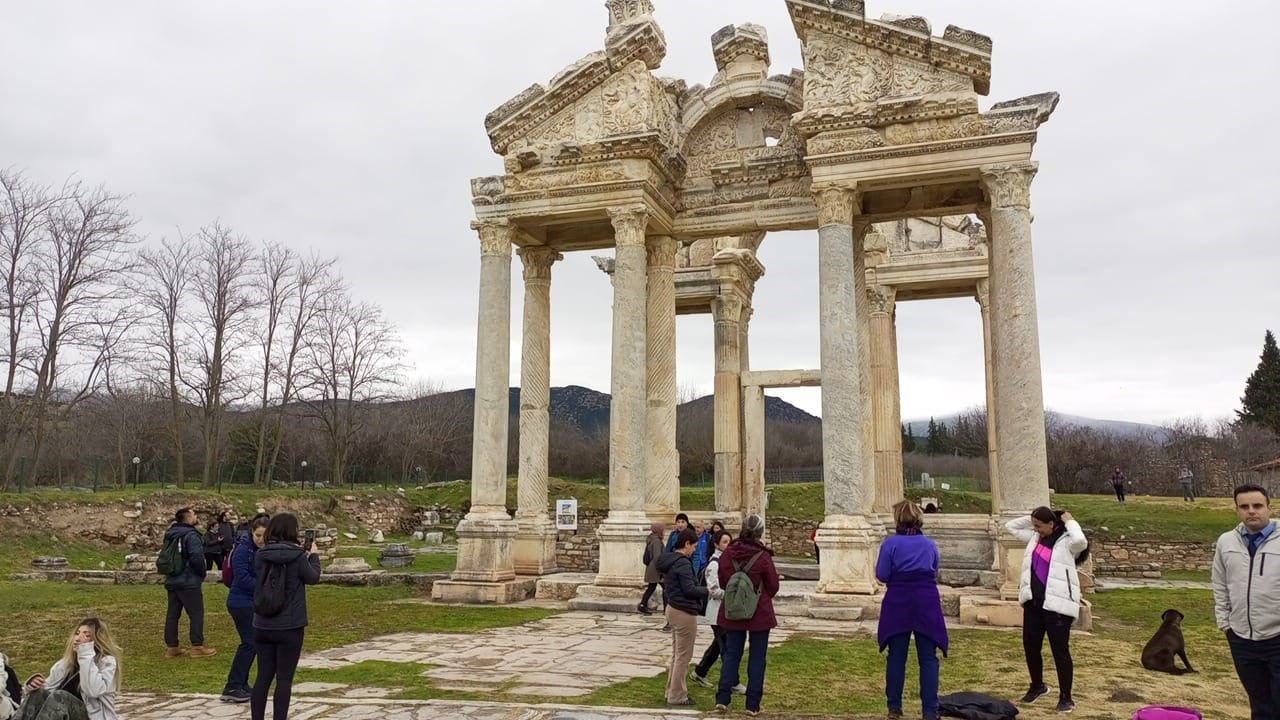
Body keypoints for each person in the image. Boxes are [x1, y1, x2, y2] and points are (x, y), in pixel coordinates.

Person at [1006, 507, 1088, 714]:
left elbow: (1081, 542)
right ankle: (1037, 686)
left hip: (1057, 605)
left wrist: (1069, 520)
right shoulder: (1035, 537)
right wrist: (1036, 517)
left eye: (1039, 525)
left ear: (1052, 524)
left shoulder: (1068, 540)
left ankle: (1066, 697)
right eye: (1034, 526)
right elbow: (1010, 526)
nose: (1036, 529)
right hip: (1034, 603)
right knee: (1031, 646)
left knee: (1060, 650)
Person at [1212, 483, 1279, 719]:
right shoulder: (1226, 542)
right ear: (1237, 510)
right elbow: (1220, 584)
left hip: (1277, 637)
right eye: (1245, 506)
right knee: (1260, 706)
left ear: (1269, 508)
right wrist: (1225, 623)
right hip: (1241, 639)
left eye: (1258, 505)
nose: (1252, 511)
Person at [877, 500, 947, 720]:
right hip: (926, 598)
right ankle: (930, 710)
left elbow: (882, 574)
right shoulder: (929, 544)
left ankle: (894, 708)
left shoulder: (890, 544)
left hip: (899, 598)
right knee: (928, 657)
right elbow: (935, 569)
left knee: (896, 656)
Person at [252, 512, 322, 720]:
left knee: (262, 677)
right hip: (289, 625)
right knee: (284, 679)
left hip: (262, 623)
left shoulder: (261, 555)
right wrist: (314, 556)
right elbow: (313, 577)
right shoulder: (298, 556)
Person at [715, 514, 779, 716]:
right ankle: (752, 703)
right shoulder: (763, 557)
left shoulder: (728, 554)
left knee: (732, 654)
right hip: (759, 611)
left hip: (733, 610)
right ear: (760, 532)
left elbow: (724, 581)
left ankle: (723, 697)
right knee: (757, 657)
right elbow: (773, 586)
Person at [23, 618, 120, 720]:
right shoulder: (65, 664)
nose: (78, 638)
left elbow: (93, 691)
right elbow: (48, 692)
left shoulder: (107, 662)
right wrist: (34, 686)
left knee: (61, 697)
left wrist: (85, 653)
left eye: (87, 635)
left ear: (96, 640)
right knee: (38, 694)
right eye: (77, 633)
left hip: (92, 717)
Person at [656, 527, 708, 707]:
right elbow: (690, 589)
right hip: (684, 611)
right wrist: (707, 591)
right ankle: (677, 696)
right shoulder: (683, 563)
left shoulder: (669, 560)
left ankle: (671, 690)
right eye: (693, 546)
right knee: (683, 657)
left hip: (672, 607)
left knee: (676, 654)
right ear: (686, 544)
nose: (694, 550)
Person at [221, 513, 270, 703]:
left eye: (264, 536)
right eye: (257, 535)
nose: (260, 539)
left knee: (253, 644)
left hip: (252, 601)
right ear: (252, 533)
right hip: (241, 602)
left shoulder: (264, 550)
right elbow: (242, 578)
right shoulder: (243, 550)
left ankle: (241, 683)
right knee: (249, 643)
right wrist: (264, 588)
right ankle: (232, 685)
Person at [692, 530, 742, 693]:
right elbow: (713, 589)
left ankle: (700, 671)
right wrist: (732, 594)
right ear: (716, 544)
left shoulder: (728, 561)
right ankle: (733, 681)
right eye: (725, 542)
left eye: (729, 541)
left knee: (717, 646)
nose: (728, 545)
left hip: (726, 611)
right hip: (717, 613)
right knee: (727, 648)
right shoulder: (714, 564)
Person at [163, 508, 216, 658]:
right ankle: (197, 646)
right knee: (196, 613)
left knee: (173, 614)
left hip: (172, 578)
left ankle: (172, 646)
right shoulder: (191, 535)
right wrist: (201, 572)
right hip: (188, 580)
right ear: (188, 518)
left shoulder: (170, 534)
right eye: (194, 514)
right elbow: (196, 556)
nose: (196, 517)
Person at [639, 522, 665, 615]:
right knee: (665, 588)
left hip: (651, 568)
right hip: (656, 569)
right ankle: (667, 608)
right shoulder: (657, 541)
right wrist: (662, 570)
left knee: (651, 587)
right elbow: (657, 556)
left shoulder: (651, 539)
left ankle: (643, 604)